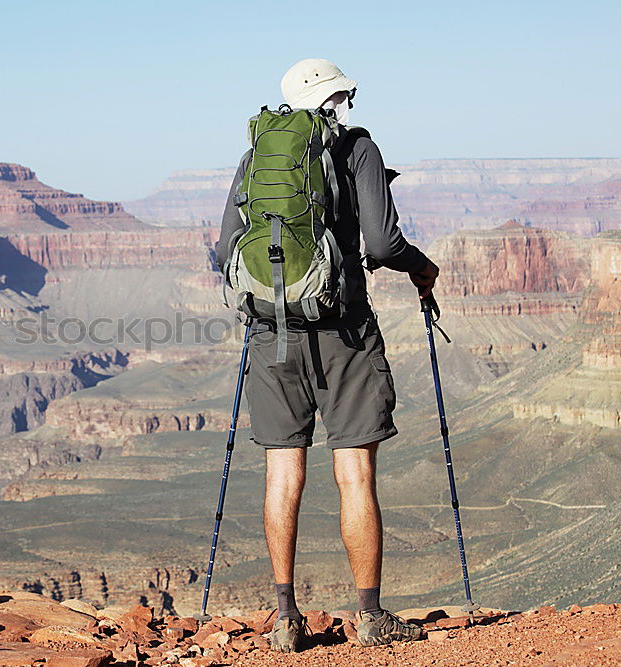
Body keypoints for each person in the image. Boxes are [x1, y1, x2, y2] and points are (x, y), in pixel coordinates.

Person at [215, 58, 440, 652]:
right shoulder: (358, 149)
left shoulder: (256, 154)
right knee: (354, 474)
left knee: (283, 473)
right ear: (339, 98)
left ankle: (285, 618)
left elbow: (222, 250)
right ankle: (369, 615)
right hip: (343, 331)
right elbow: (383, 243)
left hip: (272, 333)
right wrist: (423, 269)